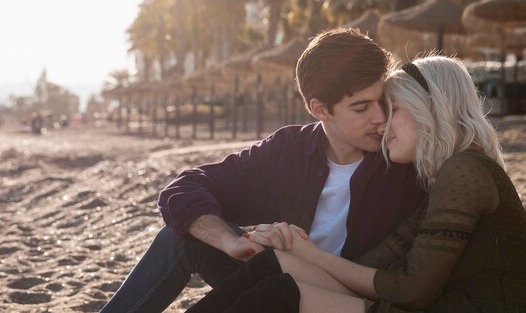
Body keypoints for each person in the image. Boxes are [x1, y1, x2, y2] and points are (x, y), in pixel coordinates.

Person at [99, 28, 426, 313]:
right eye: (361, 107)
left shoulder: (399, 159)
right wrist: (229, 241)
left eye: (383, 101)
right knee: (179, 238)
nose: (380, 118)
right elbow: (183, 189)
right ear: (319, 109)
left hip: (343, 299)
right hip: (274, 280)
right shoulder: (288, 150)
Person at [186, 55, 526, 313]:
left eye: (393, 110)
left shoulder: (465, 170)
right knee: (272, 266)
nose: (382, 124)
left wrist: (307, 254)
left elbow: (411, 290)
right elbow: (378, 258)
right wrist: (291, 245)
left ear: (431, 108)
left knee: (277, 294)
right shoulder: (443, 175)